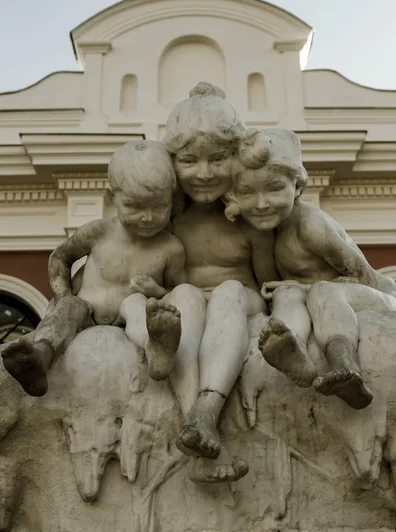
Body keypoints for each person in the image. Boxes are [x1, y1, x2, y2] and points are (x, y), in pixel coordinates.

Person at [121, 82, 278, 483]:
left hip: (240, 300)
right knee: (185, 296)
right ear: (172, 164)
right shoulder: (165, 217)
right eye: (189, 161)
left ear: (237, 155)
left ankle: (207, 410)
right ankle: (199, 428)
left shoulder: (252, 218)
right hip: (188, 302)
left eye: (218, 159)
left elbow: (269, 284)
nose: (203, 174)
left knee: (226, 292)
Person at [224, 127, 396, 409]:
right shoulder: (263, 233)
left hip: (373, 296)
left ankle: (345, 365)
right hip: (313, 298)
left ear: (298, 188)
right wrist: (263, 242)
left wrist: (304, 287)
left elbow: (364, 276)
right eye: (246, 193)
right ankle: (292, 349)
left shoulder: (312, 226)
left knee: (321, 291)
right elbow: (270, 285)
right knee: (286, 296)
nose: (262, 203)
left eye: (275, 188)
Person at [2, 140, 184, 397]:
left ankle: (156, 350)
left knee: (136, 305)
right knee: (70, 309)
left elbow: (177, 292)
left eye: (159, 207)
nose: (147, 217)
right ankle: (40, 357)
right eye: (134, 206)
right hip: (86, 312)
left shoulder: (171, 248)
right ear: (114, 197)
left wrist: (156, 289)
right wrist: (63, 295)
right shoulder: (99, 232)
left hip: (127, 318)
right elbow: (60, 257)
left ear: (171, 199)